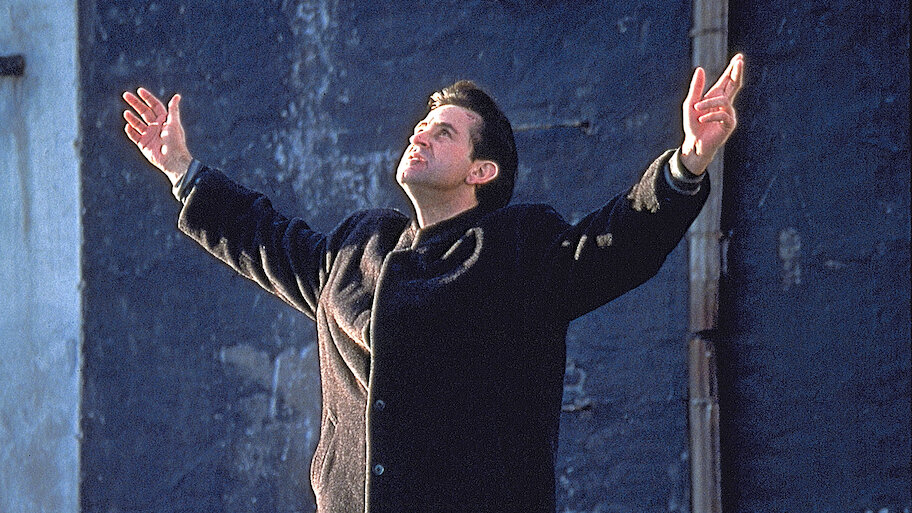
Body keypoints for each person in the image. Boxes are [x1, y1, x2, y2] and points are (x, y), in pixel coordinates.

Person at [123, 54, 744, 513]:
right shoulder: (358, 249)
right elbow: (265, 238)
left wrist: (688, 161)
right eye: (422, 125)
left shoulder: (517, 251)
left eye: (444, 131)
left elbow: (620, 241)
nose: (420, 132)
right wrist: (181, 168)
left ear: (481, 170)